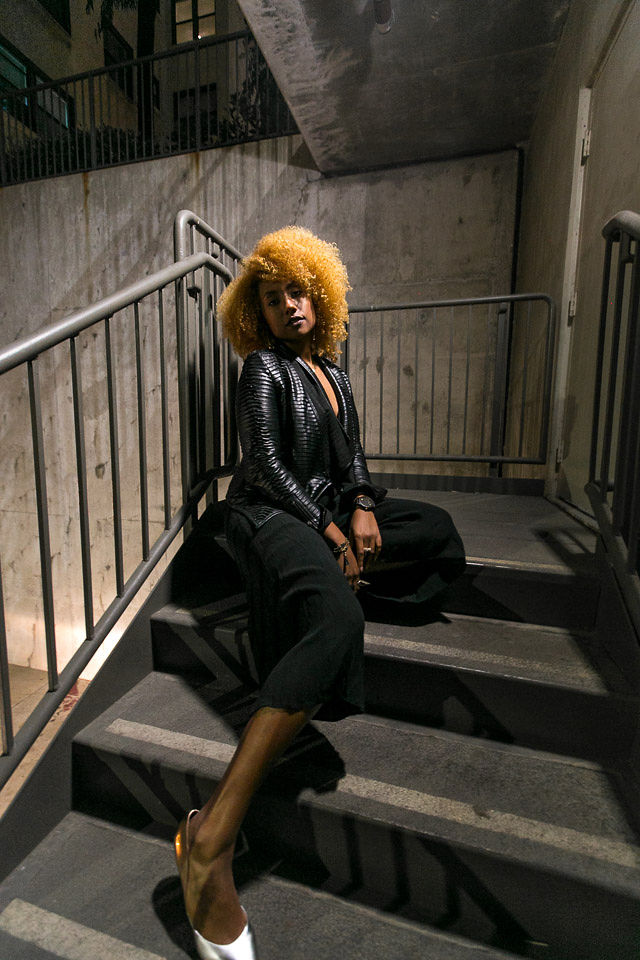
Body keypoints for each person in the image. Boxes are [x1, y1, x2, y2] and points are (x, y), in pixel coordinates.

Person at [174, 226, 465, 960]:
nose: (290, 306)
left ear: (321, 295)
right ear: (259, 314)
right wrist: (330, 534)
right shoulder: (263, 372)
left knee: (432, 529)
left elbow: (355, 455)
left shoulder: (332, 371)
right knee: (336, 621)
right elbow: (265, 465)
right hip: (269, 511)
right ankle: (210, 837)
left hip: (328, 510)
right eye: (274, 300)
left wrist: (362, 505)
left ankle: (343, 570)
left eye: (299, 291)